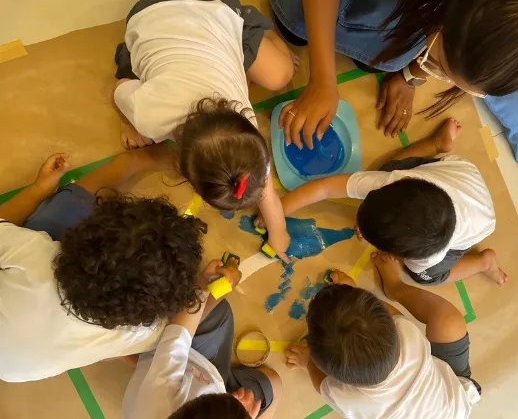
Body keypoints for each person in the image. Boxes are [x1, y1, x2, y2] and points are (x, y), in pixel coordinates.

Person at [268, 0, 518, 146]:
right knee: (296, 21)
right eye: (438, 65)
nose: (435, 74)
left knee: (387, 60)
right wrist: (322, 78)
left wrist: (410, 77)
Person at [0, 146, 210, 382]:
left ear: (83, 232)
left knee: (73, 204)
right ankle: (136, 160)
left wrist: (40, 188)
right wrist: (207, 287)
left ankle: (131, 161)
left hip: (12, 353)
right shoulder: (141, 334)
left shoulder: (34, 254)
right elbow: (178, 328)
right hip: (12, 366)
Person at [113, 0, 293, 259]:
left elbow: (260, 180)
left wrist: (279, 232)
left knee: (281, 74)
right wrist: (129, 121)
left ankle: (252, 29)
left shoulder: (245, 122)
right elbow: (119, 88)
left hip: (214, 9)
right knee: (132, 72)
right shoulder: (149, 119)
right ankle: (126, 54)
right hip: (150, 16)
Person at [265, 118, 507, 287]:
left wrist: (395, 251)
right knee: (388, 168)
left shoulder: (427, 257)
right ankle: (437, 144)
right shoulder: (392, 180)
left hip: (477, 223)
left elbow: (405, 257)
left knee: (424, 277)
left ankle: (483, 263)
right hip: (457, 173)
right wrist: (276, 212)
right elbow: (324, 187)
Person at [285, 255, 480, 418]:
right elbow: (390, 315)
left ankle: (394, 288)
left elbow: (323, 385)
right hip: (449, 393)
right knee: (448, 321)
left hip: (440, 399)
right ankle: (396, 287)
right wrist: (356, 294)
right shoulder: (408, 336)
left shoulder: (352, 401)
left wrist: (307, 361)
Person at [123, 257, 282, 419]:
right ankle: (146, 360)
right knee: (274, 383)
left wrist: (204, 286)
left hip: (185, 366)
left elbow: (180, 331)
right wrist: (242, 414)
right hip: (205, 375)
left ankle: (144, 359)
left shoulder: (161, 396)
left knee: (210, 309)